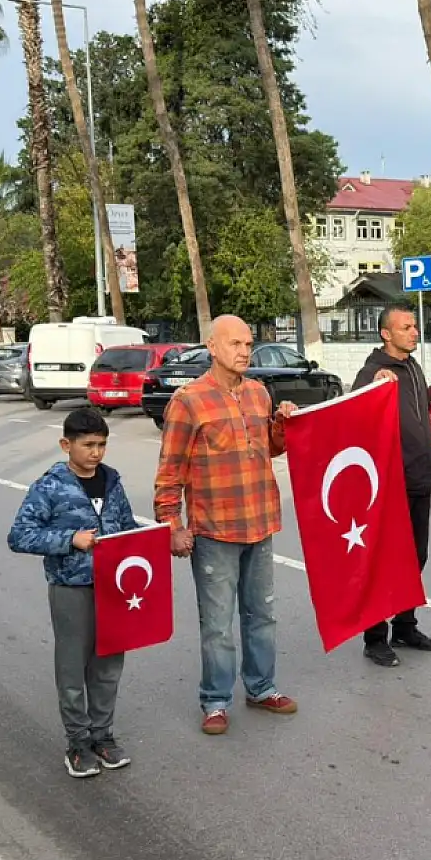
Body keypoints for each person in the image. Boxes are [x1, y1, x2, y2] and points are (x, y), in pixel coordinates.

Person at [154, 314, 298, 735]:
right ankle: (215, 700)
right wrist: (170, 524)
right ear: (212, 347)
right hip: (214, 531)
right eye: (235, 343)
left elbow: (270, 449)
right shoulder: (188, 400)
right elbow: (170, 470)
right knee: (217, 625)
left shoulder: (258, 394)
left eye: (249, 344)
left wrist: (281, 424)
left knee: (262, 615)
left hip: (260, 522)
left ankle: (262, 687)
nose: (244, 351)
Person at [7, 407, 139, 778]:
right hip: (71, 588)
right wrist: (69, 540)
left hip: (113, 587)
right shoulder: (49, 486)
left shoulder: (112, 482)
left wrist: (151, 539)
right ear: (67, 444)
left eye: (101, 445)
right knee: (72, 667)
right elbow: (19, 536)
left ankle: (103, 736)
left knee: (108, 665)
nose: (96, 453)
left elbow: (126, 526)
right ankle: (77, 743)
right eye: (87, 445)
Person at [352, 305, 431, 667]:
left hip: (420, 477)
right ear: (385, 334)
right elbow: (355, 416)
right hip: (390, 484)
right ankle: (375, 637)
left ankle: (405, 625)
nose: (414, 332)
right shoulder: (374, 372)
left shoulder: (414, 367)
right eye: (406, 327)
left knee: (416, 556)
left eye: (415, 326)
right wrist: (372, 390)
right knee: (385, 561)